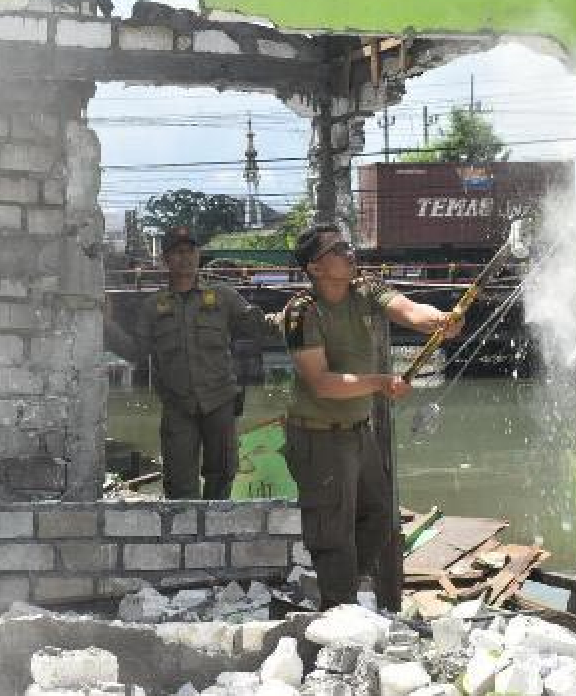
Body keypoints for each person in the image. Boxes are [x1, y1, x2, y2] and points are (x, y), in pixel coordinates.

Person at [282, 222, 462, 610]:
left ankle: (341, 595)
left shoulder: (364, 288)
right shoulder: (302, 311)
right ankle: (338, 614)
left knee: (379, 515)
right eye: (338, 250)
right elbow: (322, 383)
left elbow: (410, 310)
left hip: (356, 432)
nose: (349, 253)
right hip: (318, 436)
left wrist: (439, 320)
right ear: (315, 268)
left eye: (348, 246)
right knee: (333, 531)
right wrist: (380, 382)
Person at [105, 226, 273, 499]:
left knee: (222, 475)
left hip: (220, 402)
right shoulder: (153, 307)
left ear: (199, 254)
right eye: (177, 252)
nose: (186, 257)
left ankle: (216, 537)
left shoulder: (223, 297)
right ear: (165, 260)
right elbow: (135, 351)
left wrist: (289, 317)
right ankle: (184, 539)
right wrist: (105, 325)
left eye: (191, 250)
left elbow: (258, 329)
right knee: (180, 486)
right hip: (178, 406)